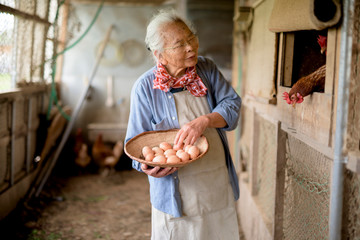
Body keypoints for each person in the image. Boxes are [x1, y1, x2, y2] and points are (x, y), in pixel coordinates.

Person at [125, 8, 241, 240]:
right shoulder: (145, 87)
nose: (191, 47)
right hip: (175, 192)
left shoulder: (206, 69)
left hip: (214, 182)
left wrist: (205, 120)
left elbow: (232, 104)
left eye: (191, 37)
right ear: (160, 55)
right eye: (180, 44)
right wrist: (148, 167)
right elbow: (134, 143)